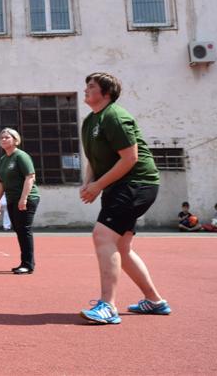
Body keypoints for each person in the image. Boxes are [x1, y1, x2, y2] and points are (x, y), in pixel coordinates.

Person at [78, 72, 171, 324]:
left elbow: (130, 158)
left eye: (91, 86)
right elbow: (94, 158)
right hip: (117, 185)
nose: (86, 90)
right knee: (121, 246)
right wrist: (89, 184)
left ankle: (108, 306)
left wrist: (98, 185)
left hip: (137, 183)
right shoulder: (90, 121)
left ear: (106, 93)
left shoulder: (115, 117)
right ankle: (155, 301)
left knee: (103, 236)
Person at [0, 128, 40, 274]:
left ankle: (28, 265)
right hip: (12, 199)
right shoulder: (3, 159)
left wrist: (23, 199)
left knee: (24, 230)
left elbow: (30, 177)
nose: (3, 139)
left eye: (7, 137)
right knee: (19, 230)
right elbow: (1, 183)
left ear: (15, 140)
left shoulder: (21, 156)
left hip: (27, 198)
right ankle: (25, 262)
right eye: (1, 138)